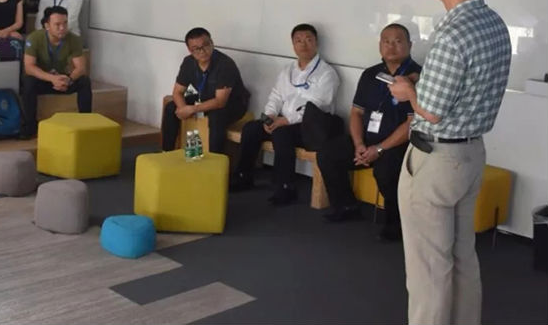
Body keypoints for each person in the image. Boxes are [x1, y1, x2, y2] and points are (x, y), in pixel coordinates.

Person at [389, 0, 511, 325]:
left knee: (428, 270)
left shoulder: (452, 32)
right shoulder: (493, 24)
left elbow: (432, 112)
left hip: (436, 160)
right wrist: (422, 85)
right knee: (462, 256)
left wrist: (409, 92)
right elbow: (465, 87)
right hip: (470, 155)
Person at [315, 24, 421, 240]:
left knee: (386, 170)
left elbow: (413, 123)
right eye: (386, 41)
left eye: (398, 41)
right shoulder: (371, 74)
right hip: (367, 139)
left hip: (399, 144)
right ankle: (345, 205)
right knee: (328, 153)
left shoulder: (419, 77)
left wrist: (379, 149)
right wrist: (359, 144)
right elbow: (356, 112)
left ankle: (397, 223)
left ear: (409, 45)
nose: (391, 46)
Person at [229, 23, 340, 202]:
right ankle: (243, 177)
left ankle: (285, 187)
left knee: (282, 134)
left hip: (311, 126)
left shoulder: (327, 73)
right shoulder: (288, 70)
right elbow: (276, 95)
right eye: (298, 41)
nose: (303, 44)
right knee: (251, 128)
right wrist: (270, 116)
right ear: (293, 45)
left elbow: (318, 105)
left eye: (308, 40)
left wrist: (285, 121)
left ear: (316, 43)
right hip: (283, 121)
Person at [161, 27, 250, 154]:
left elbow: (220, 102)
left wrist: (192, 109)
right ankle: (166, 152)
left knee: (216, 117)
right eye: (196, 49)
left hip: (231, 104)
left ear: (212, 43)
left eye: (206, 45)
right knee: (171, 107)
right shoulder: (188, 62)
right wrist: (183, 108)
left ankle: (215, 158)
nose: (202, 51)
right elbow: (177, 92)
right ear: (190, 50)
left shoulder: (225, 64)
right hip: (203, 97)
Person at [22, 6, 91, 137]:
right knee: (28, 82)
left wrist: (69, 79)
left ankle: (86, 123)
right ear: (47, 25)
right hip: (43, 79)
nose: (62, 28)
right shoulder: (34, 38)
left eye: (65, 23)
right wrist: (51, 78)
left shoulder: (74, 39)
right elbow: (29, 67)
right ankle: (29, 126)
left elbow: (81, 68)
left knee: (84, 81)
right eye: (57, 24)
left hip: (62, 80)